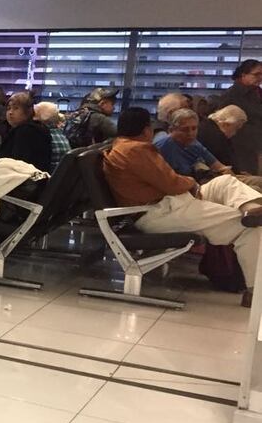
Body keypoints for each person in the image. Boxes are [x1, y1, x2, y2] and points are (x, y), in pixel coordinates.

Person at [104, 107, 262, 308]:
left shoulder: (125, 147)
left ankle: (250, 207)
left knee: (225, 183)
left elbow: (167, 181)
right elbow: (170, 182)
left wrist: (187, 183)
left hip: (172, 204)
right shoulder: (136, 150)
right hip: (162, 212)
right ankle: (255, 291)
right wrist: (190, 182)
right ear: (146, 130)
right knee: (248, 228)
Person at [156, 108, 262, 191]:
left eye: (194, 128)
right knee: (254, 189)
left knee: (259, 181)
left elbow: (221, 167)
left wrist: (234, 180)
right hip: (193, 188)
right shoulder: (162, 147)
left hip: (210, 179)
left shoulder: (194, 143)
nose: (191, 133)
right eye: (185, 129)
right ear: (171, 130)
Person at [216, 59, 262, 175]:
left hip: (256, 146)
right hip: (240, 147)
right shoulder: (231, 95)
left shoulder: (256, 93)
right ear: (243, 75)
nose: (260, 77)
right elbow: (221, 122)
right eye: (256, 74)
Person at [0, 91, 52, 172]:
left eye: (16, 108)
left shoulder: (25, 132)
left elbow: (18, 165)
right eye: (8, 108)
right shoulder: (38, 128)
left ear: (28, 111)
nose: (10, 112)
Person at [200, 105, 248, 169]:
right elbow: (226, 163)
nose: (235, 133)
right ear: (227, 124)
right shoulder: (216, 136)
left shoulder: (208, 125)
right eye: (236, 128)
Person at [34, 101, 70, 171]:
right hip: (61, 177)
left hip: (48, 177)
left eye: (34, 114)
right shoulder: (61, 134)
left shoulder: (41, 137)